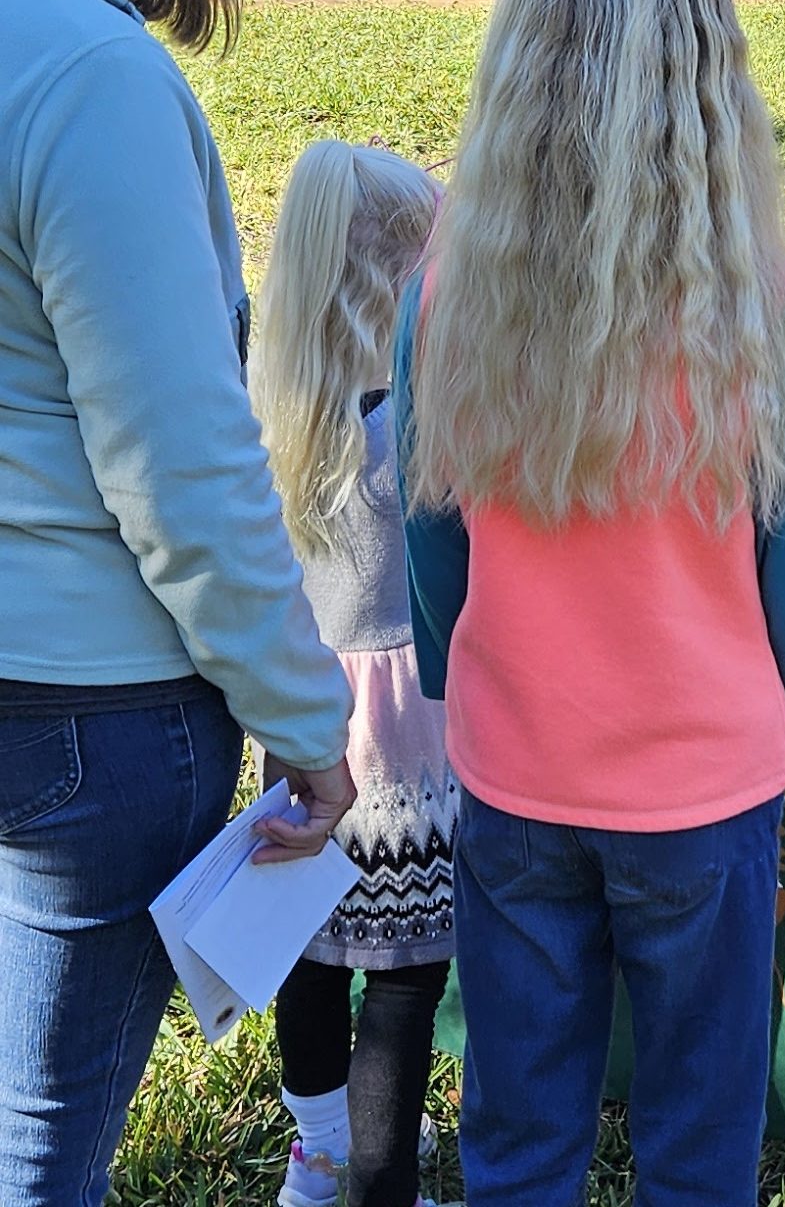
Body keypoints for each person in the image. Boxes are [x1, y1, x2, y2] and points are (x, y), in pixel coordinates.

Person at [394, 0, 785, 1207]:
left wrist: (451, 673)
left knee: (519, 1125)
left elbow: (430, 529)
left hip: (515, 772)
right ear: (708, 85)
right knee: (701, 1132)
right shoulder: (758, 304)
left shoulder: (446, 290)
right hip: (706, 787)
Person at [0, 0, 355, 1207]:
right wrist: (306, 722)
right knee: (38, 1149)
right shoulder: (92, 75)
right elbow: (181, 462)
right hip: (83, 709)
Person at [251, 141, 457, 1207]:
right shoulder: (420, 426)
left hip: (304, 723)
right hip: (409, 744)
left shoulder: (275, 420)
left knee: (309, 949)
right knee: (406, 977)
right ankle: (381, 1180)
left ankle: (319, 1155)